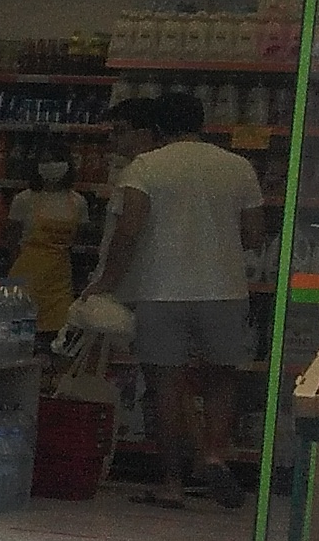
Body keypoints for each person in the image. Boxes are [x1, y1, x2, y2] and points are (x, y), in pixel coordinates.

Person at [92, 89, 263, 508]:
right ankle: (214, 455)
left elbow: (128, 232)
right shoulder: (238, 167)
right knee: (222, 380)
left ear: (159, 127)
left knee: (166, 386)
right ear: (202, 121)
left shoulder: (145, 167)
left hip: (160, 291)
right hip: (224, 290)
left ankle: (171, 483)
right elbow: (254, 236)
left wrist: (106, 283)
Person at [6, 152, 87, 334]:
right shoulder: (24, 199)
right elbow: (12, 237)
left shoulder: (79, 202)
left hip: (60, 283)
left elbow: (77, 238)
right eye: (46, 161)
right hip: (26, 277)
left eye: (56, 161)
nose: (52, 166)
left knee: (57, 334)